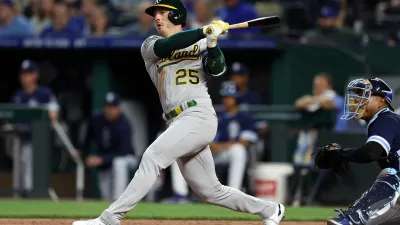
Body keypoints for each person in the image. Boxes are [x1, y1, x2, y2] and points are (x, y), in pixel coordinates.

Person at [72, 0, 285, 224]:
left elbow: (218, 68)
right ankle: (270, 209)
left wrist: (212, 44)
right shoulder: (150, 45)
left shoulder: (202, 42)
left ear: (177, 16)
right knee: (211, 191)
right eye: (154, 13)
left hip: (198, 115)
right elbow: (169, 46)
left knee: (152, 157)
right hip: (177, 121)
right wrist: (203, 31)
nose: (157, 17)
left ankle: (109, 219)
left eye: (163, 12)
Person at [314, 78, 400, 225]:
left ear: (380, 102)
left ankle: (354, 216)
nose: (356, 100)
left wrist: (342, 154)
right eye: (356, 95)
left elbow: (370, 152)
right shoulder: (382, 121)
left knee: (390, 173)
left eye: (363, 94)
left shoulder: (386, 119)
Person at [10, 59, 59, 196]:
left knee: (31, 170)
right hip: (20, 138)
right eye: (23, 74)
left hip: (40, 141)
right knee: (22, 171)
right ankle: (25, 194)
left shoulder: (44, 93)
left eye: (29, 74)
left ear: (36, 75)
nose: (25, 77)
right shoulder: (17, 96)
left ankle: (31, 194)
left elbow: (54, 114)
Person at [79, 92, 137, 201]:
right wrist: (81, 150)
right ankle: (109, 202)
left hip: (127, 158)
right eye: (107, 107)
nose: (109, 110)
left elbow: (123, 151)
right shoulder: (97, 119)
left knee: (118, 163)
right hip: (105, 159)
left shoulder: (124, 124)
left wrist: (101, 159)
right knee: (105, 197)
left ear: (118, 108)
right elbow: (88, 136)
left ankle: (119, 199)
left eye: (113, 107)